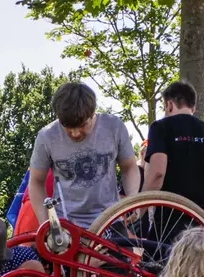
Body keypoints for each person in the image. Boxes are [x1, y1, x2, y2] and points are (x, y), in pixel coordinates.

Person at [29, 82, 140, 229]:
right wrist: (47, 226)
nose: (75, 133)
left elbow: (129, 167)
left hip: (110, 220)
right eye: (67, 127)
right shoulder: (47, 136)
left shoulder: (114, 127)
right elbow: (36, 181)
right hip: (67, 224)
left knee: (124, 252)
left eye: (82, 125)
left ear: (93, 113)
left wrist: (133, 199)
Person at [142, 81, 204, 224]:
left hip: (169, 225)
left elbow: (157, 174)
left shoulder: (161, 127)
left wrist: (139, 209)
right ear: (193, 106)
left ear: (169, 105)